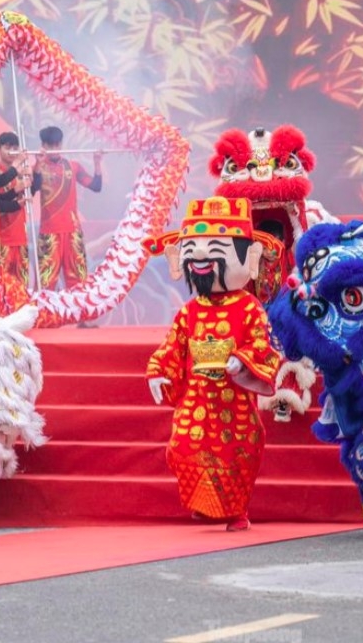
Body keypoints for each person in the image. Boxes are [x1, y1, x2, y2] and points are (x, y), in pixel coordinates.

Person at [143, 196, 282, 532]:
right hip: (195, 397)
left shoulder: (249, 307)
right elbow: (173, 345)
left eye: (216, 248)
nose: (201, 256)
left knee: (236, 454)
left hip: (232, 399)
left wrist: (241, 359)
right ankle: (207, 501)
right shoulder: (190, 310)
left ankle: (236, 511)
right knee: (182, 447)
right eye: (193, 248)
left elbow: (263, 343)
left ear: (245, 259)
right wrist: (159, 371)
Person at [35, 126, 101, 290]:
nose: (54, 149)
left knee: (79, 283)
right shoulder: (38, 168)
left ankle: (79, 316)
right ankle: (43, 315)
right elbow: (32, 188)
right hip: (49, 233)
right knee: (45, 283)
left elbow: (95, 186)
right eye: (50, 146)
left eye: (57, 145)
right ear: (43, 145)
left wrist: (97, 163)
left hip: (73, 232)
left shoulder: (74, 166)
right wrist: (37, 164)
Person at [0, 132, 39, 284]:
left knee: (21, 285)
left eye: (14, 147)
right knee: (1, 284)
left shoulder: (21, 174)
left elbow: (31, 191)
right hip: (3, 239)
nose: (11, 151)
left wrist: (37, 167)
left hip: (20, 238)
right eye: (7, 147)